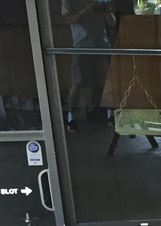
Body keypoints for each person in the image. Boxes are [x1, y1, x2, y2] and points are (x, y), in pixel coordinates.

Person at [62, 0, 112, 131]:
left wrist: (105, 10)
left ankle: (110, 116)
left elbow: (111, 22)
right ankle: (70, 118)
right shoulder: (68, 1)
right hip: (82, 46)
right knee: (77, 82)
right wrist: (85, 10)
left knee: (105, 81)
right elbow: (67, 20)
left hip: (101, 45)